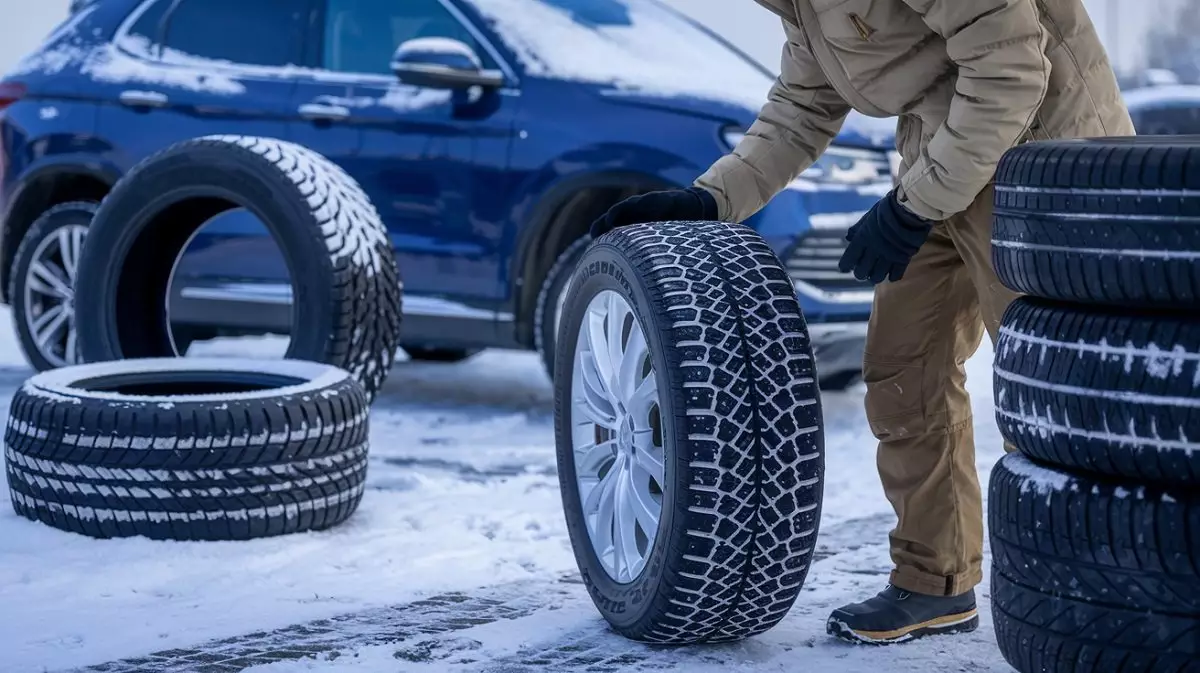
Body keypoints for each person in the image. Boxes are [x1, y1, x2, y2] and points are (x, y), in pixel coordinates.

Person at [590, 0, 1134, 646]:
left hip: (1043, 155)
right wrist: (710, 197)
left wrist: (911, 209)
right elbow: (803, 105)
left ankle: (1097, 597)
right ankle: (936, 581)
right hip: (943, 157)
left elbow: (1010, 67)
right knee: (905, 365)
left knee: (1050, 391)